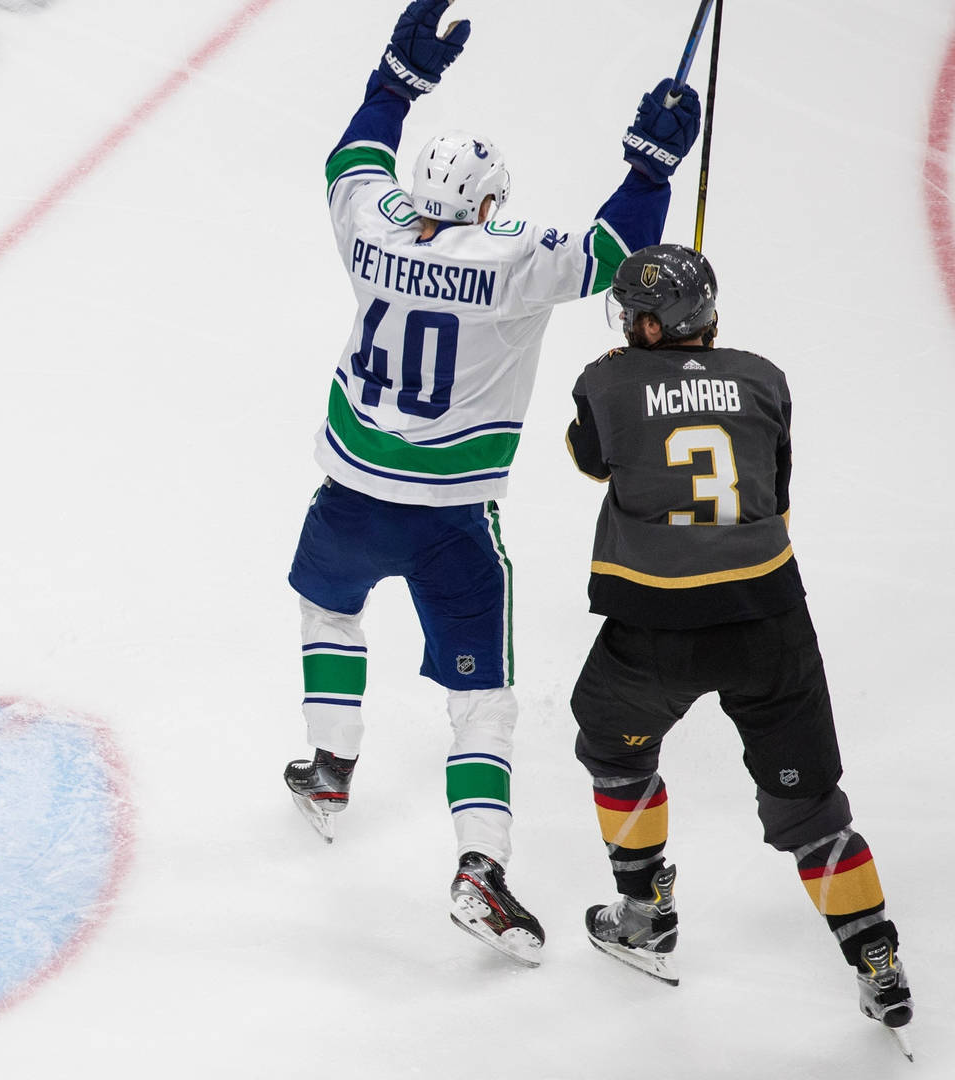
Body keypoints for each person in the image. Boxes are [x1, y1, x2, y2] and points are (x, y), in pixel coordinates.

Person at [281, 0, 701, 966]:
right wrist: (650, 165)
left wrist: (397, 81)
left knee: (328, 614)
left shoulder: (373, 231)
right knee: (483, 704)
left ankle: (331, 768)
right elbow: (611, 254)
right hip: (450, 521)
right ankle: (481, 867)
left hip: (349, 492)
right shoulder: (510, 260)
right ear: (485, 201)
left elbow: (353, 160)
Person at [566, 244, 913, 1043]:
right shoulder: (764, 377)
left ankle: (645, 912)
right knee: (813, 809)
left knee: (615, 753)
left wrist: (635, 372)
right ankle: (876, 957)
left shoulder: (607, 379)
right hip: (769, 620)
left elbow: (592, 460)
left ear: (654, 323)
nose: (625, 321)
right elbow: (774, 487)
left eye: (633, 313)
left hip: (653, 627)